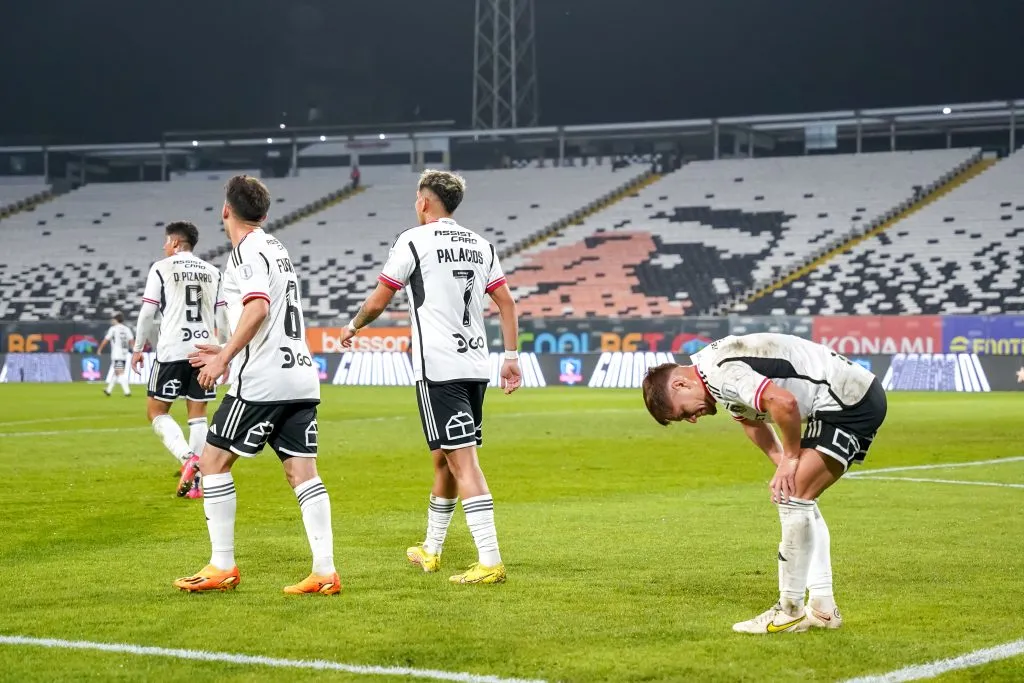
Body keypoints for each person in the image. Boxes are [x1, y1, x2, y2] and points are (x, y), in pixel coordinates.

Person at [337, 169, 521, 585]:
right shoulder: (480, 243)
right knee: (444, 458)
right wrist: (511, 357)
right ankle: (431, 549)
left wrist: (352, 326)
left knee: (463, 461)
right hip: (475, 366)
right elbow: (507, 304)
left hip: (438, 369)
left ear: (424, 202)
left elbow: (381, 298)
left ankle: (490, 561)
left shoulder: (413, 240)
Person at [640, 332, 887, 634]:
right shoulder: (711, 373)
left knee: (795, 496)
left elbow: (783, 402)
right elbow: (750, 421)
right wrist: (781, 461)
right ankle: (822, 610)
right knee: (795, 496)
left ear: (680, 384)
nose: (692, 420)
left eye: (682, 413)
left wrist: (791, 459)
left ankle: (790, 611)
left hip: (848, 401)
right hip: (847, 397)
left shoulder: (721, 372)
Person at [174, 175, 339, 595]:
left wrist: (224, 358)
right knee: (301, 470)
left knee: (212, 463)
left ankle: (221, 566)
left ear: (226, 210)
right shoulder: (275, 247)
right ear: (263, 214)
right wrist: (226, 345)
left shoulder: (246, 250)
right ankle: (324, 572)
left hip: (264, 380)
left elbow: (259, 308)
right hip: (300, 373)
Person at [131, 222, 225, 499]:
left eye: (165, 242)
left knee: (156, 411)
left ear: (174, 243)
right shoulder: (213, 272)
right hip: (205, 351)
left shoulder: (162, 267)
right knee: (198, 416)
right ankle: (196, 485)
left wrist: (138, 347)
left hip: (173, 350)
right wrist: (223, 350)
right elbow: (223, 317)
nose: (164, 247)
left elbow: (148, 313)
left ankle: (188, 458)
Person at [98, 313, 134, 397]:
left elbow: (106, 340)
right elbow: (131, 340)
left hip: (117, 354)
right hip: (124, 353)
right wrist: (134, 350)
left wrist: (100, 349)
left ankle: (127, 391)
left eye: (113, 319)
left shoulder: (113, 329)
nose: (112, 321)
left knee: (119, 372)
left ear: (116, 320)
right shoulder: (126, 329)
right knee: (117, 371)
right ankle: (108, 390)